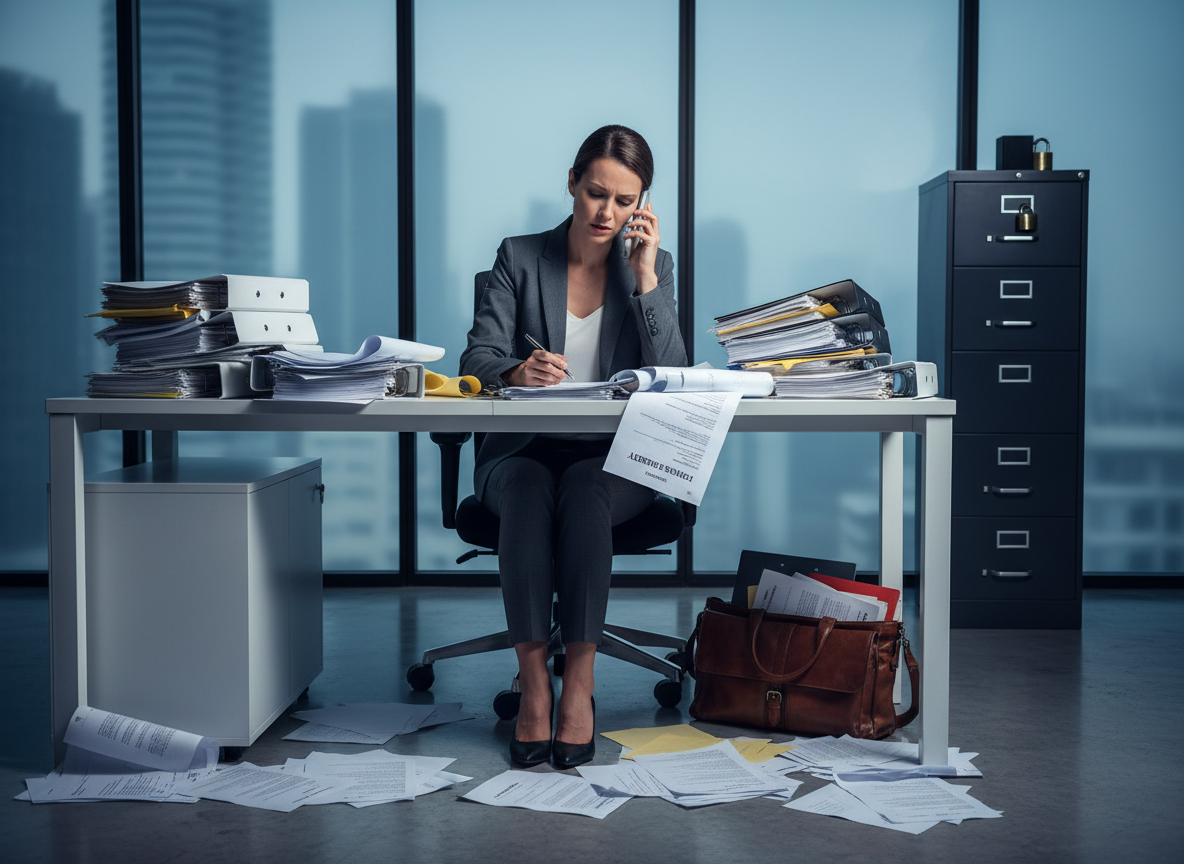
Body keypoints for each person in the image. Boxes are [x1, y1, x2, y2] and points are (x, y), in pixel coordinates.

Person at [459, 125, 687, 769]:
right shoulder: (520, 256)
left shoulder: (652, 267)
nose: (606, 213)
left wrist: (644, 279)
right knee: (531, 492)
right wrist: (512, 371)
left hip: (615, 460)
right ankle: (535, 688)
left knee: (585, 492)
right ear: (572, 183)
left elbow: (673, 370)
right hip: (521, 452)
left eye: (624, 201)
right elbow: (476, 354)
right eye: (595, 194)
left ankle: (578, 688)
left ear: (641, 205)